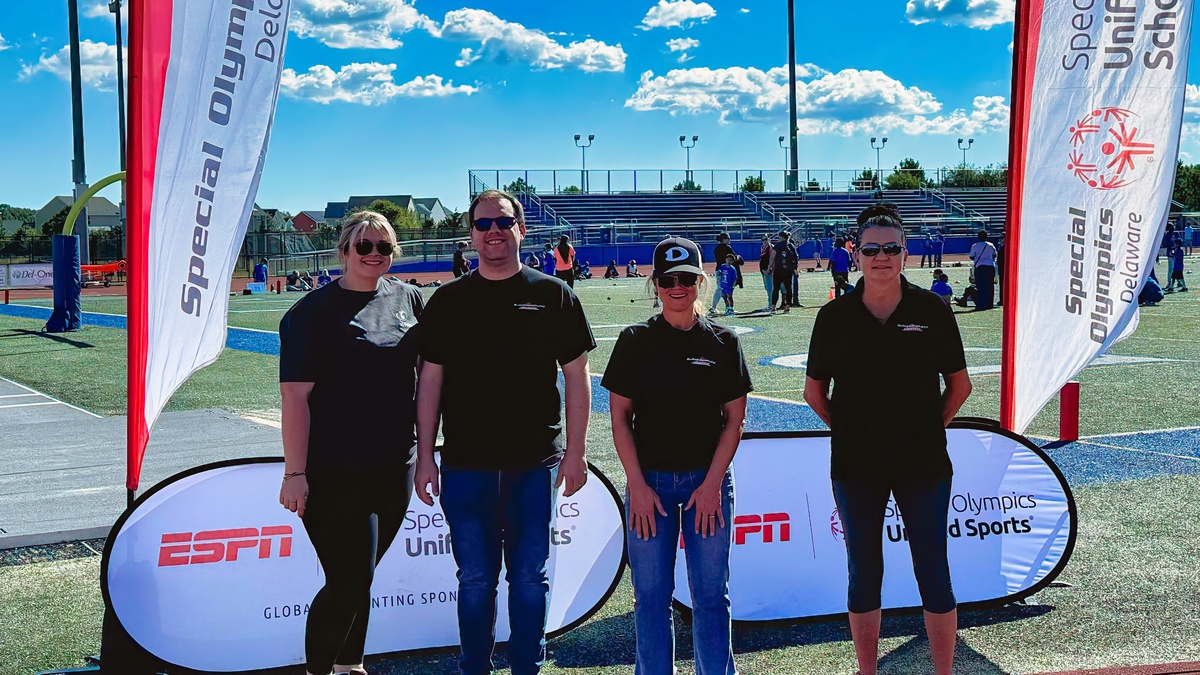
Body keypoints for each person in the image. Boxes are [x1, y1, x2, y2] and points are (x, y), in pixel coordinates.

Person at [414, 190, 594, 675]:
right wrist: (426, 455)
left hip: (533, 464)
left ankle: (526, 668)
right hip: (465, 464)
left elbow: (577, 377)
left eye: (503, 221)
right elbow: (429, 380)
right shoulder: (449, 301)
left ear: (521, 229)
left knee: (530, 580)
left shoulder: (554, 294)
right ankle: (473, 667)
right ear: (471, 234)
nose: (493, 231)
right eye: (483, 223)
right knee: (474, 579)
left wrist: (576, 453)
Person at [803, 201, 972, 675]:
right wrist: (853, 429)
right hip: (857, 466)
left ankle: (944, 671)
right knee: (864, 574)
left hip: (924, 464)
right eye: (872, 248)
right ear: (856, 253)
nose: (882, 257)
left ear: (904, 253)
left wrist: (925, 427)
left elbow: (960, 386)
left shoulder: (931, 309)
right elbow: (814, 393)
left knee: (934, 574)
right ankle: (867, 671)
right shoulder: (834, 317)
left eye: (891, 248)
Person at [278, 210, 423, 675]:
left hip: (394, 464)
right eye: (364, 246)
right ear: (344, 251)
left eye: (384, 246)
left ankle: (349, 666)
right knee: (349, 578)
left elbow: (431, 375)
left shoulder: (410, 299)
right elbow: (295, 398)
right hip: (332, 469)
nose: (375, 254)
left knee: (362, 578)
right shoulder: (311, 313)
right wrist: (295, 474)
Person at [602, 236, 751, 675]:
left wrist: (710, 487)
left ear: (701, 281)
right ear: (656, 284)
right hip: (650, 485)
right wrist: (640, 488)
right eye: (668, 280)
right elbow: (619, 421)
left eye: (687, 278)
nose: (677, 287)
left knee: (709, 596)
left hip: (707, 484)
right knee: (650, 597)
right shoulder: (634, 341)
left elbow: (734, 422)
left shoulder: (723, 342)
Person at [768, 231, 799, 312]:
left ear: (781, 237)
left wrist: (769, 267)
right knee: (788, 288)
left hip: (778, 270)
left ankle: (773, 306)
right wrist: (795, 269)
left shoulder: (778, 246)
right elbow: (796, 257)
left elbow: (772, 257)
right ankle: (788, 305)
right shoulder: (790, 245)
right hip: (788, 270)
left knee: (776, 289)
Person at [968, 230, 998, 310]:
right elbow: (994, 255)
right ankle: (989, 304)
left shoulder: (975, 246)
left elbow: (971, 256)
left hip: (980, 266)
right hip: (990, 266)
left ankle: (981, 304)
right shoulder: (991, 245)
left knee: (980, 286)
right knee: (990, 286)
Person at [710, 233, 736, 314]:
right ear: (724, 239)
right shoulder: (727, 248)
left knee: (720, 288)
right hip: (726, 271)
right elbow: (733, 257)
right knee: (725, 290)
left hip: (718, 269)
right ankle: (727, 308)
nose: (729, 240)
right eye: (728, 238)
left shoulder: (717, 248)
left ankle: (716, 307)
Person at [758, 233, 775, 311]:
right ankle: (771, 304)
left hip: (769, 271)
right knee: (767, 288)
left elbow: (772, 259)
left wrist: (769, 269)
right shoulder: (763, 248)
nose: (764, 241)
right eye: (763, 239)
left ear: (769, 239)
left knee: (770, 288)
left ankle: (771, 305)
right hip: (764, 271)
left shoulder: (771, 248)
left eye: (766, 239)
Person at [996, 235, 1006, 307]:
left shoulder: (1003, 249)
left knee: (1002, 285)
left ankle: (1002, 299)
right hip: (1004, 269)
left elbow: (999, 261)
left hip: (1003, 269)